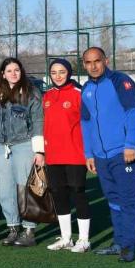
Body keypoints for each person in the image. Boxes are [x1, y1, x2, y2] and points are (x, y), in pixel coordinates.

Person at [80, 47, 135, 262]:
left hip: (122, 152)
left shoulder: (120, 81)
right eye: (88, 62)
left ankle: (128, 246)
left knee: (128, 200)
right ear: (84, 65)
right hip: (100, 156)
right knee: (113, 199)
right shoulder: (86, 88)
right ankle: (118, 242)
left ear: (105, 61)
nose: (93, 66)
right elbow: (86, 122)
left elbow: (133, 112)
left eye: (97, 61)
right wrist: (89, 153)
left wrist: (130, 144)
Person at [0, 57, 45, 248]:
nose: (13, 74)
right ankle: (13, 227)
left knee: (24, 188)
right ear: (3, 74)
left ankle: (29, 230)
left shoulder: (31, 92)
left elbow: (38, 121)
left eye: (17, 70)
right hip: (2, 146)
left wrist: (39, 151)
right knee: (5, 190)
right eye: (9, 71)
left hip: (24, 145)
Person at [43, 58, 91, 253]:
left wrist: (90, 152)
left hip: (75, 154)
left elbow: (89, 124)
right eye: (54, 72)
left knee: (78, 193)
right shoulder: (47, 95)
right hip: (53, 156)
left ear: (69, 72)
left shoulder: (79, 93)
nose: (58, 76)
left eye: (62, 72)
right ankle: (66, 238)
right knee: (58, 194)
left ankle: (84, 240)